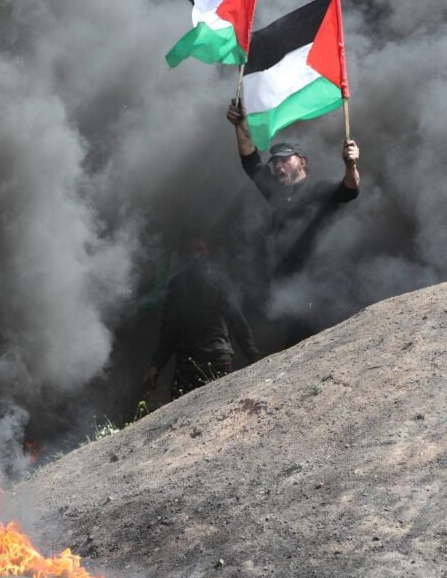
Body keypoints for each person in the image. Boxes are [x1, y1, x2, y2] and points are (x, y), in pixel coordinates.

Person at [225, 98, 361, 342]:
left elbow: (349, 190)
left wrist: (351, 164)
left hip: (322, 287)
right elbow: (251, 162)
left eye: (285, 159)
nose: (278, 165)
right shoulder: (276, 193)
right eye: (275, 161)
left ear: (302, 162)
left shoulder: (319, 190)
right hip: (291, 290)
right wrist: (240, 126)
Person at [144, 237, 260, 398]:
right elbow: (238, 320)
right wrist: (252, 354)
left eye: (199, 249)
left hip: (196, 362)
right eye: (194, 250)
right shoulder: (215, 282)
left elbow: (168, 332)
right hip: (209, 359)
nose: (196, 255)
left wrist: (156, 365)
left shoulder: (180, 285)